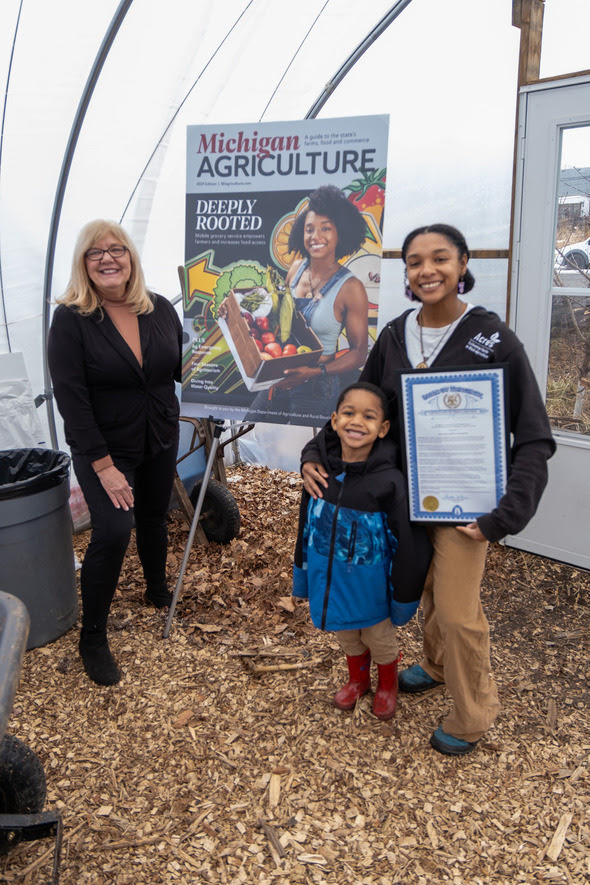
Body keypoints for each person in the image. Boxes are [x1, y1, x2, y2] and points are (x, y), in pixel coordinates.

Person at [302, 224, 555, 755]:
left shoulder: (492, 341)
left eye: (440, 258)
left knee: (460, 612)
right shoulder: (395, 336)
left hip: (466, 506)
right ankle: (435, 665)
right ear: (407, 275)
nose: (427, 270)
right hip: (400, 502)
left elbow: (534, 437)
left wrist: (505, 515)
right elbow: (362, 404)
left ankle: (473, 714)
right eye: (415, 262)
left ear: (463, 264)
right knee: (423, 590)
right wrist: (314, 451)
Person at [48, 220, 183, 687]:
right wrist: (103, 467)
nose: (108, 258)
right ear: (83, 264)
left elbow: (184, 367)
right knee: (112, 530)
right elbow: (71, 397)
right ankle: (93, 636)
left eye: (117, 249)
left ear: (131, 258)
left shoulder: (160, 309)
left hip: (159, 433)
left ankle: (156, 590)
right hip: (104, 446)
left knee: (152, 515)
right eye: (95, 252)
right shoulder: (72, 319)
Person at [293, 382, 432, 720]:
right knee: (348, 639)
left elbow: (407, 543)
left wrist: (403, 596)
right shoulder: (320, 473)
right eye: (349, 413)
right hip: (333, 584)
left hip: (372, 591)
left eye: (369, 416)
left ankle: (387, 684)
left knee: (380, 642)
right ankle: (358, 680)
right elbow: (306, 528)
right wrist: (303, 573)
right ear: (335, 420)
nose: (357, 422)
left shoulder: (389, 483)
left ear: (383, 428)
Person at [247, 184, 369, 424]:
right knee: (249, 435)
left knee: (299, 454)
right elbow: (277, 319)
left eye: (326, 229)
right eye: (309, 229)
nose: (316, 236)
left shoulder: (351, 288)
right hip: (277, 377)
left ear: (340, 233)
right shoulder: (296, 269)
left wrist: (314, 372)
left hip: (316, 388)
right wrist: (240, 315)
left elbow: (358, 354)